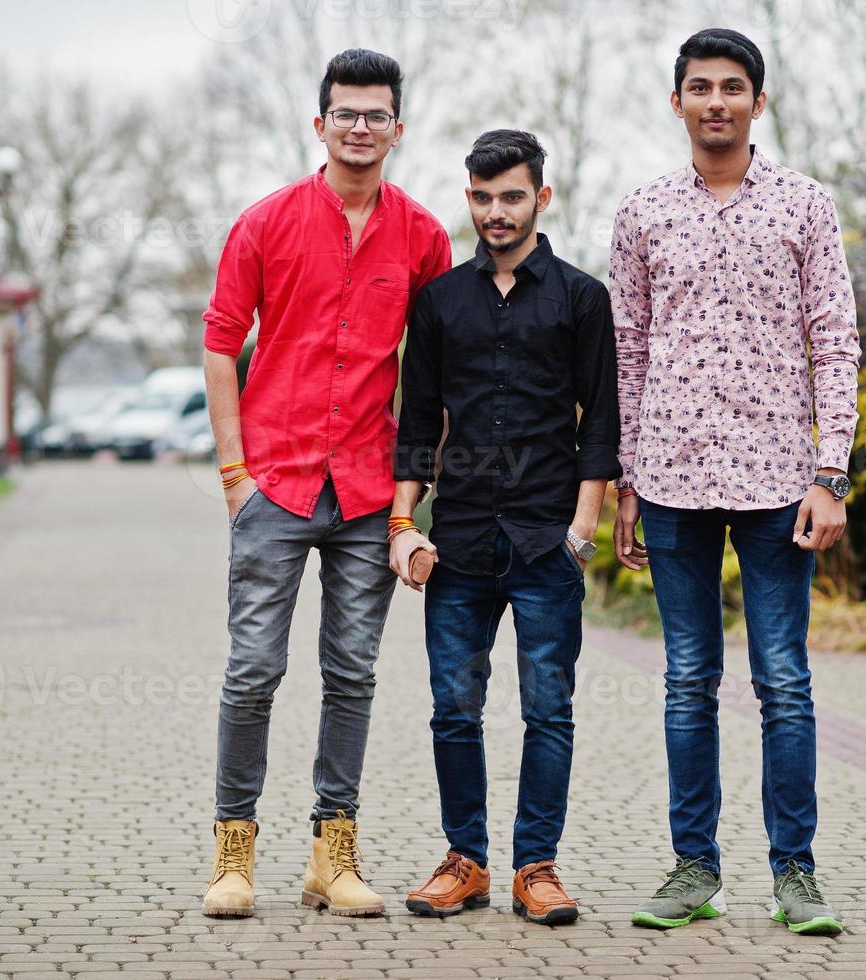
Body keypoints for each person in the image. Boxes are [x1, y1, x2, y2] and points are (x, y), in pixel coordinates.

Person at [610, 28, 861, 936]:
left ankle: (795, 873)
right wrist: (627, 481)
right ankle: (692, 870)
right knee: (687, 680)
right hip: (671, 480)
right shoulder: (640, 212)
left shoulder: (804, 206)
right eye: (698, 88)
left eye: (732, 87)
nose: (715, 101)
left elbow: (834, 340)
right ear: (674, 101)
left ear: (760, 101)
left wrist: (830, 473)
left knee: (783, 681)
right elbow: (626, 354)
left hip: (776, 482)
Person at [200, 48, 452, 919]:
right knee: (251, 670)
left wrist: (409, 503)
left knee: (352, 673)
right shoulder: (265, 223)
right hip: (273, 481)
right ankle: (235, 856)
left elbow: (432, 373)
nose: (358, 126)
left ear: (397, 129)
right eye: (344, 112)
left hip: (366, 493)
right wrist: (235, 474)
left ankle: (331, 857)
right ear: (320, 124)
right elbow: (220, 343)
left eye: (374, 113)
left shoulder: (422, 237)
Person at [390, 129, 620, 926]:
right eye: (482, 197)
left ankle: (536, 866)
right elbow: (417, 419)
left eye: (511, 196)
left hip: (545, 539)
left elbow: (602, 422)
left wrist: (580, 530)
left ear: (540, 199)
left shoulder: (582, 298)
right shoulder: (441, 301)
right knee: (453, 707)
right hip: (455, 542)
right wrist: (401, 523)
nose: (496, 211)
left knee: (546, 709)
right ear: (470, 199)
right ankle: (465, 861)